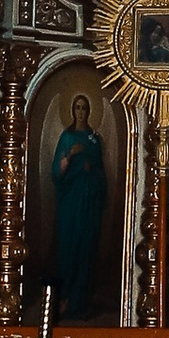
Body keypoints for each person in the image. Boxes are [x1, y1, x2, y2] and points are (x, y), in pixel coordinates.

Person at [49, 87, 109, 316]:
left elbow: (101, 175)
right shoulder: (68, 137)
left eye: (84, 108)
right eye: (77, 108)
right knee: (68, 248)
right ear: (73, 111)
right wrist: (70, 155)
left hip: (89, 204)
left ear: (89, 111)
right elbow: (57, 173)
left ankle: (80, 302)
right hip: (70, 204)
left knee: (85, 250)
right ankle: (64, 299)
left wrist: (90, 170)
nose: (81, 112)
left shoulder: (94, 140)